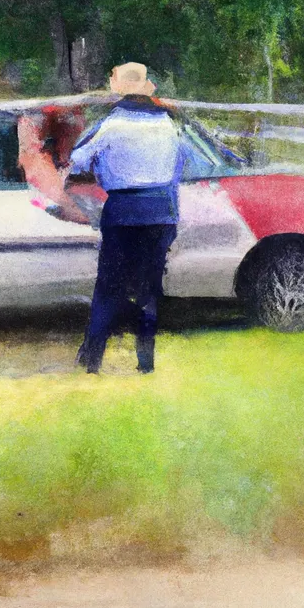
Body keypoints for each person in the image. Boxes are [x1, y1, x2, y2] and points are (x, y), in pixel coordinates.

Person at [68, 62, 189, 374]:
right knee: (149, 289)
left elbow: (78, 158)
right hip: (161, 211)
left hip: (122, 210)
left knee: (109, 286)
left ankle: (92, 359)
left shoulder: (112, 124)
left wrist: (99, 169)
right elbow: (180, 166)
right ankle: (145, 363)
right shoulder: (167, 124)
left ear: (118, 85)